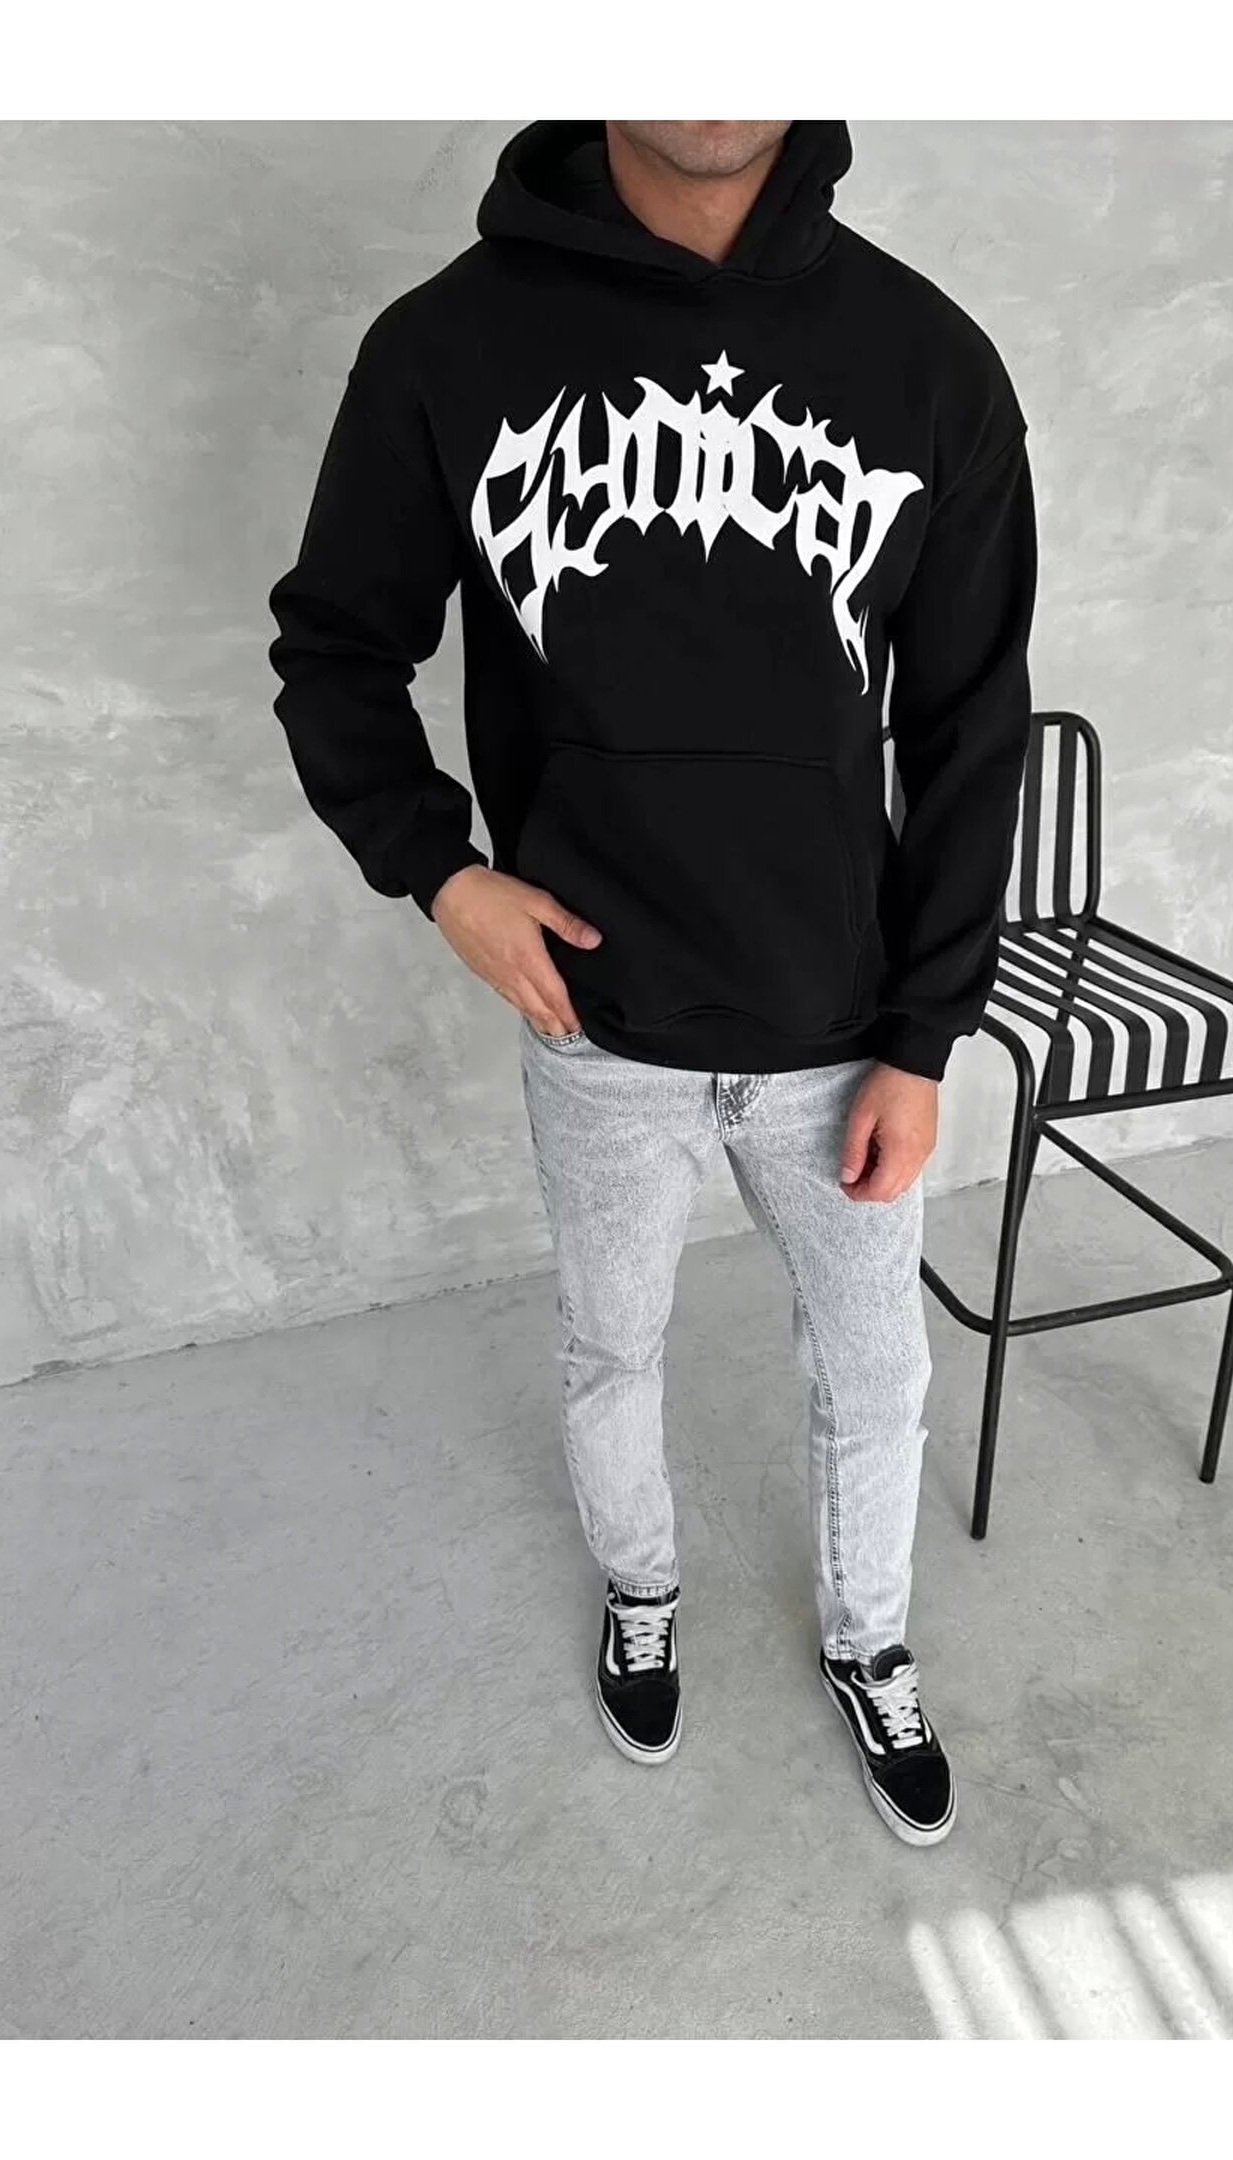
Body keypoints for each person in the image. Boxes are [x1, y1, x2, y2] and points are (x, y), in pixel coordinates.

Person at [267, 120, 1037, 1848]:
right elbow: (337, 648)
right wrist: (443, 874)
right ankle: (642, 1587)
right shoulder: (447, 345)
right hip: (597, 1024)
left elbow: (969, 728)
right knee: (612, 1346)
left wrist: (926, 1035)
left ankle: (871, 1638)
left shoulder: (927, 361)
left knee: (879, 1374)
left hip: (843, 1027)